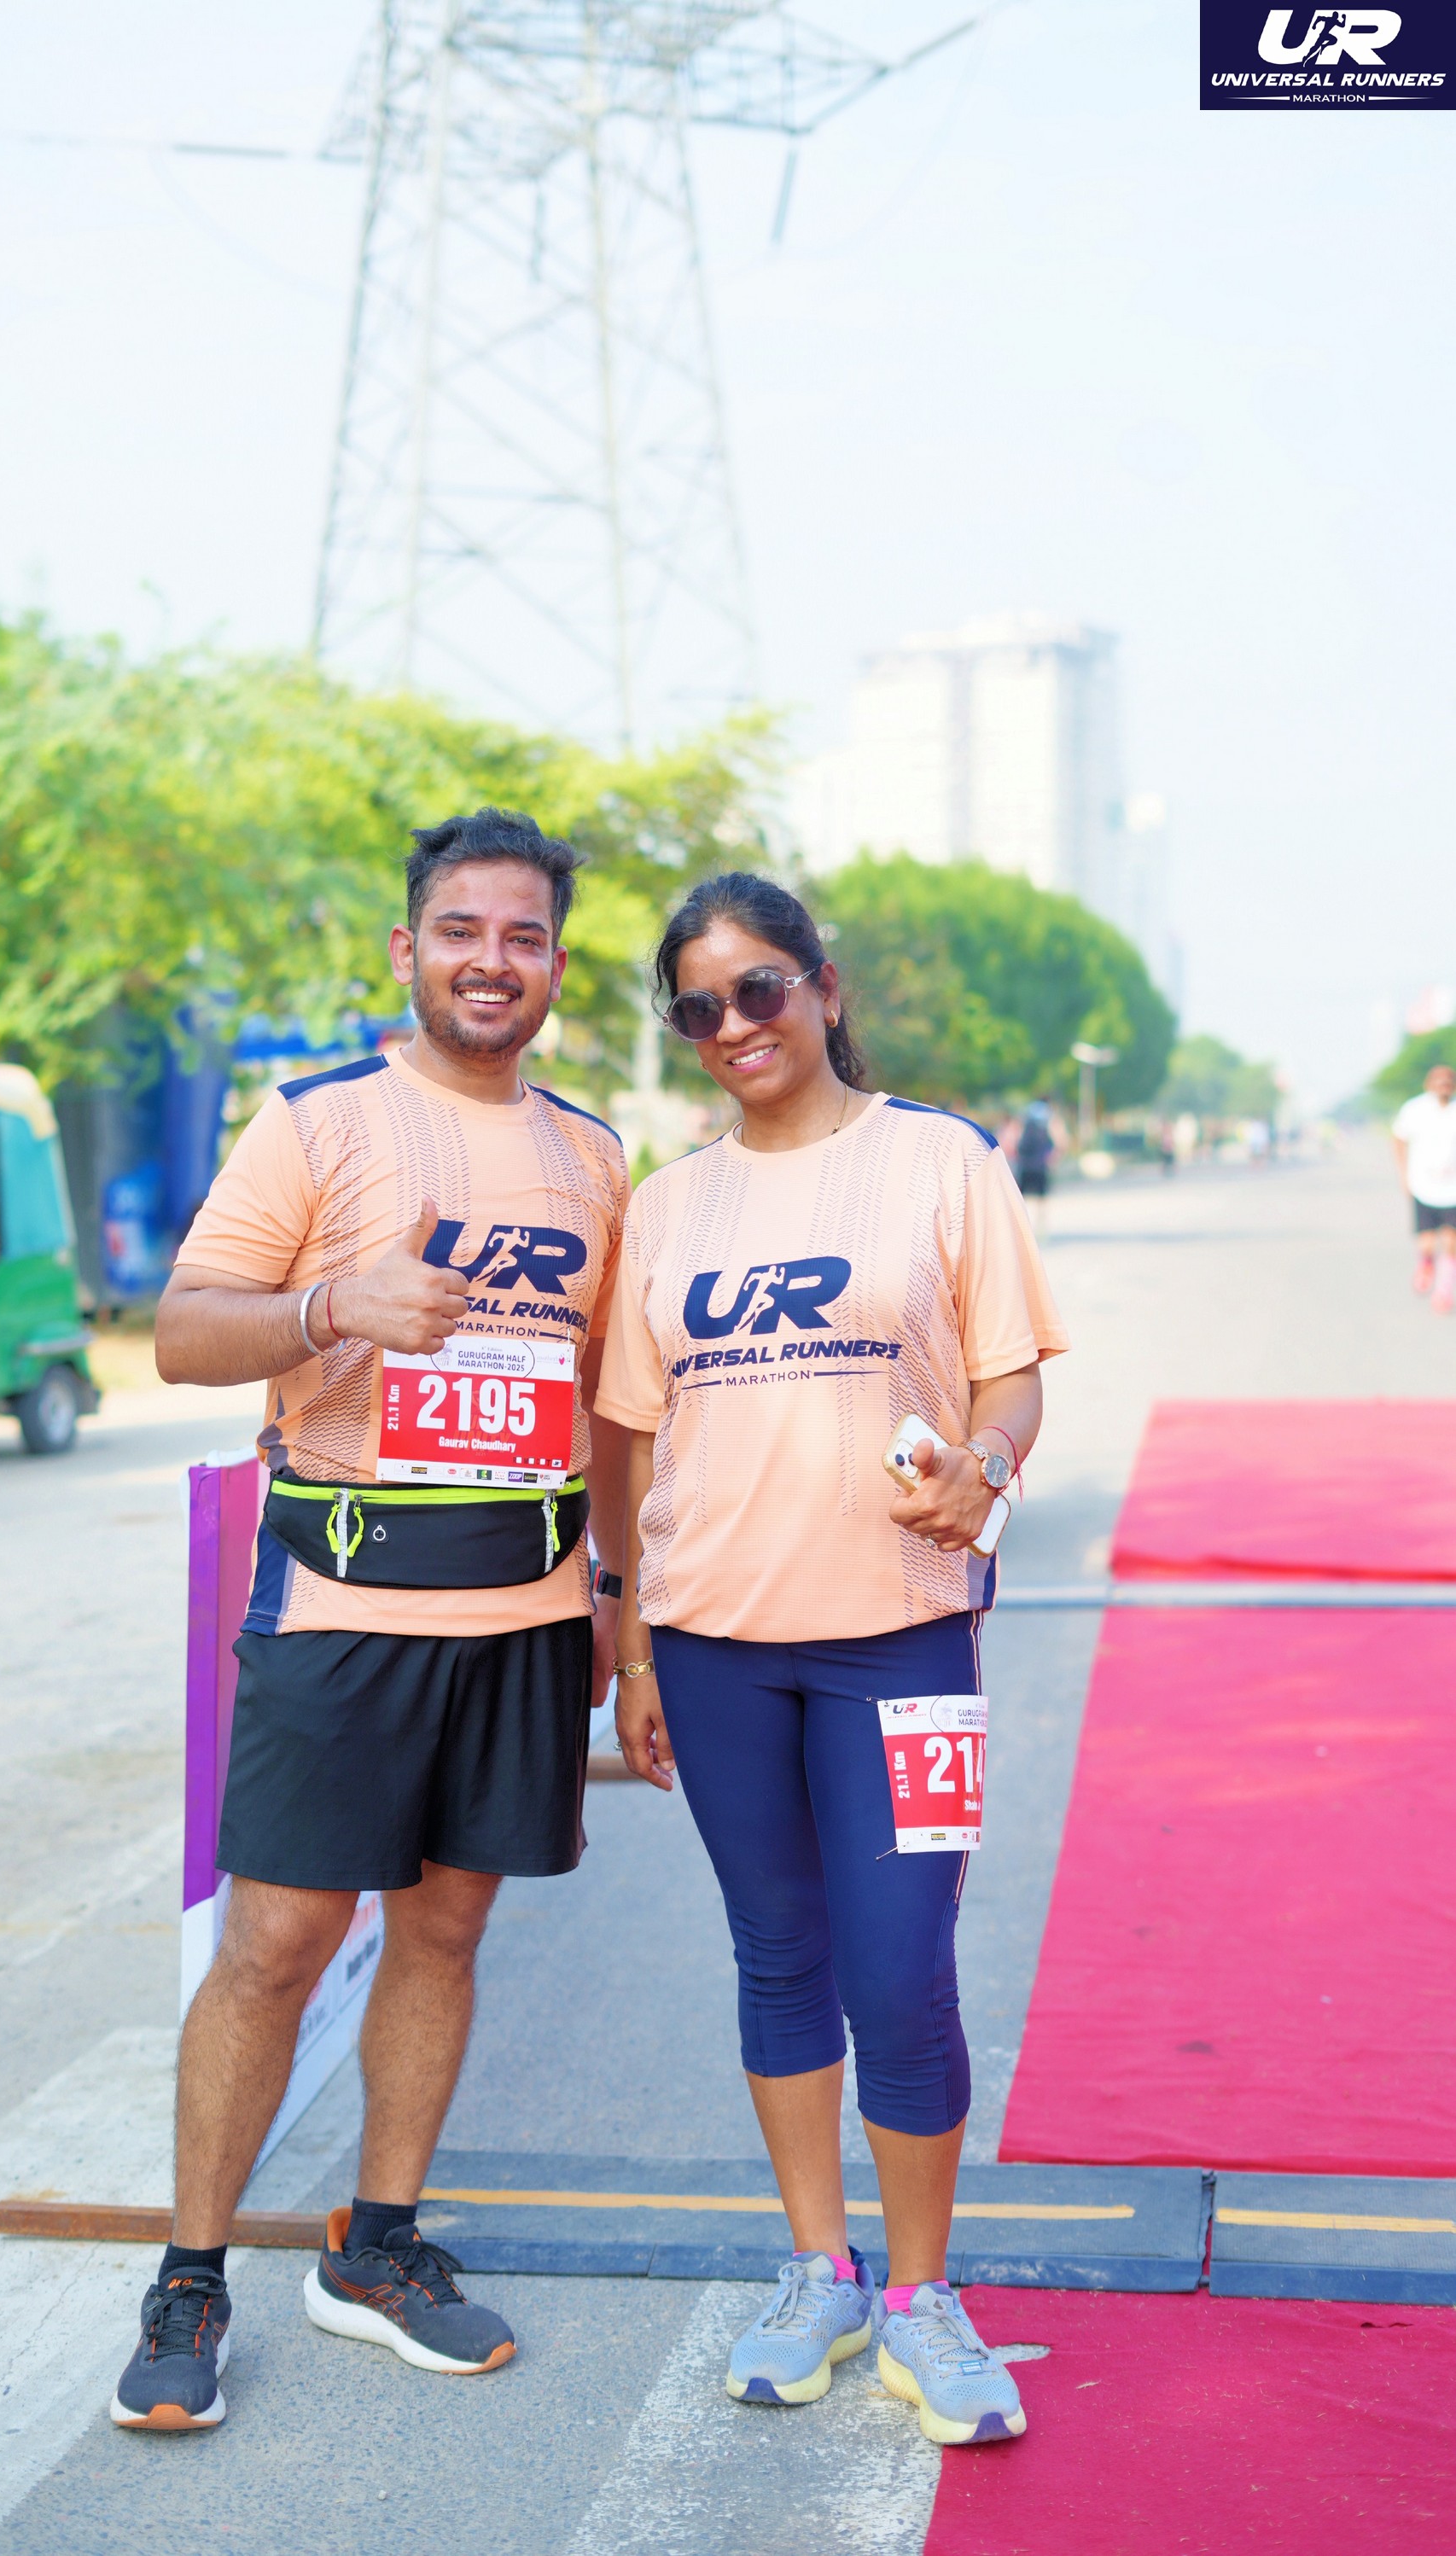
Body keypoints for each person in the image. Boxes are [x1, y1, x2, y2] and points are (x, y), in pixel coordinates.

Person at [108, 810, 628, 2430]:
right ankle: (191, 2274)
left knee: (448, 1932)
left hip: (527, 1609)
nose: (492, 960)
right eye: (461, 930)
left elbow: (610, 1409)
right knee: (275, 1943)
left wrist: (614, 1598)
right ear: (408, 949)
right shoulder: (319, 1121)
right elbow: (182, 1334)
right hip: (343, 1602)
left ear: (555, 965)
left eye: (524, 936)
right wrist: (333, 1305)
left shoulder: (596, 1156)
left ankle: (378, 2246)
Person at [596, 875, 1068, 2443]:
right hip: (715, 1643)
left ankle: (923, 2296)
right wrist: (633, 1641)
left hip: (906, 1634)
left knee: (901, 1966)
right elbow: (629, 1434)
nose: (734, 1023)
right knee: (779, 1955)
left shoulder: (940, 1160)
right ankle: (821, 2269)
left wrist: (985, 1470)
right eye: (699, 1005)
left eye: (761, 988)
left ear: (824, 985)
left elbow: (1010, 1379)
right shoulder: (668, 1204)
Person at [1391, 1063, 1456, 1311]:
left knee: (1451, 1242)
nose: (1444, 1086)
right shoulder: (1415, 1109)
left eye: (1448, 1081)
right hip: (1424, 1186)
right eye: (1439, 1081)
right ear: (1429, 1084)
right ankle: (1427, 1264)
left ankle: (1444, 1292)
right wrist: (1404, 1175)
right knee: (1427, 1243)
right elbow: (1399, 1139)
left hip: (1452, 1190)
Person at [1013, 1098, 1057, 1232]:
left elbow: (1017, 1145)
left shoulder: (1025, 1123)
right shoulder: (1045, 1125)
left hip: (1025, 1166)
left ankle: (1021, 1227)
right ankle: (1041, 1227)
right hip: (1040, 1166)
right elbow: (1053, 1145)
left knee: (1021, 1198)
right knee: (1041, 1200)